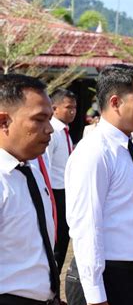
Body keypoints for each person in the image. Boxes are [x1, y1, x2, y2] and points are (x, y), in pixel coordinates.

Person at [65, 64, 133, 305]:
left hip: (130, 277)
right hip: (106, 278)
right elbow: (86, 225)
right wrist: (95, 297)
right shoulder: (95, 151)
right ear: (115, 102)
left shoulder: (128, 147)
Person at [0, 74, 60, 305]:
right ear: (4, 122)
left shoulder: (29, 170)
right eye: (39, 119)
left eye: (50, 119)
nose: (49, 130)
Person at [44, 88, 77, 273]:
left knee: (64, 240)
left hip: (65, 192)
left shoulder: (65, 131)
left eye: (74, 107)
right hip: (55, 193)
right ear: (55, 108)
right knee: (57, 241)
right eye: (68, 107)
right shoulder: (53, 132)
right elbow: (45, 166)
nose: (72, 111)